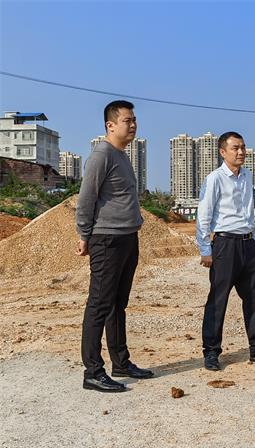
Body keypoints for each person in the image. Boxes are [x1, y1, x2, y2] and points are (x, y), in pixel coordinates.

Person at [75, 100, 153, 392]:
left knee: (118, 304)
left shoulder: (121, 155)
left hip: (127, 237)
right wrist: (84, 235)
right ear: (110, 125)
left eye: (134, 120)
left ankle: (120, 362)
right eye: (127, 121)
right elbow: (86, 198)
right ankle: (93, 372)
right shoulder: (102, 155)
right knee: (99, 304)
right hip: (107, 240)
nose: (133, 125)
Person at [196, 131, 255, 371]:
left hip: (247, 244)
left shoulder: (247, 175)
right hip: (225, 245)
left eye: (243, 147)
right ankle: (211, 352)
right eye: (235, 148)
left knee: (254, 298)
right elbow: (203, 216)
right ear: (222, 152)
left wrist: (254, 239)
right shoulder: (214, 179)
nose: (241, 152)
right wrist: (205, 249)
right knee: (218, 299)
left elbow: (248, 210)